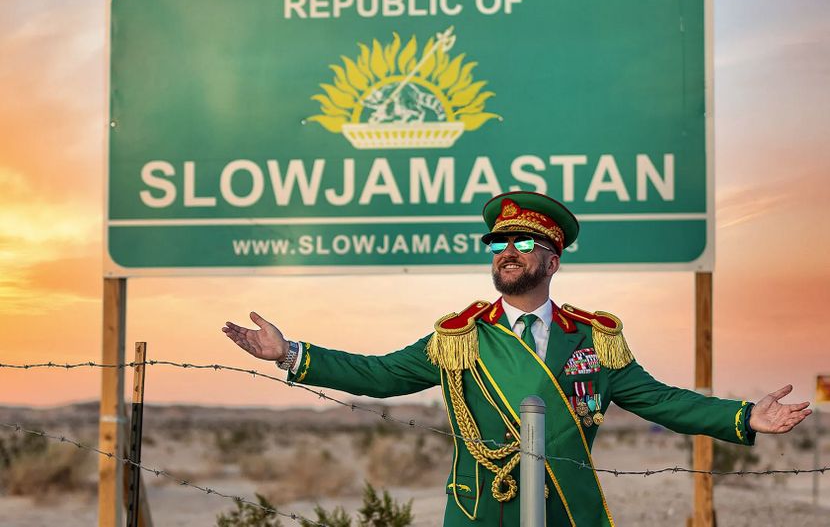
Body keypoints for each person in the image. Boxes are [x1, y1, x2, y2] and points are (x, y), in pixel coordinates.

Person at [222, 191, 811, 526]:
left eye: (524, 242)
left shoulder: (596, 339)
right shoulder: (459, 337)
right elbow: (379, 375)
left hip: (563, 509)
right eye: (499, 243)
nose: (508, 251)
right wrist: (289, 353)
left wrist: (744, 416)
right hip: (480, 509)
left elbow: (659, 401)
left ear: (553, 261)